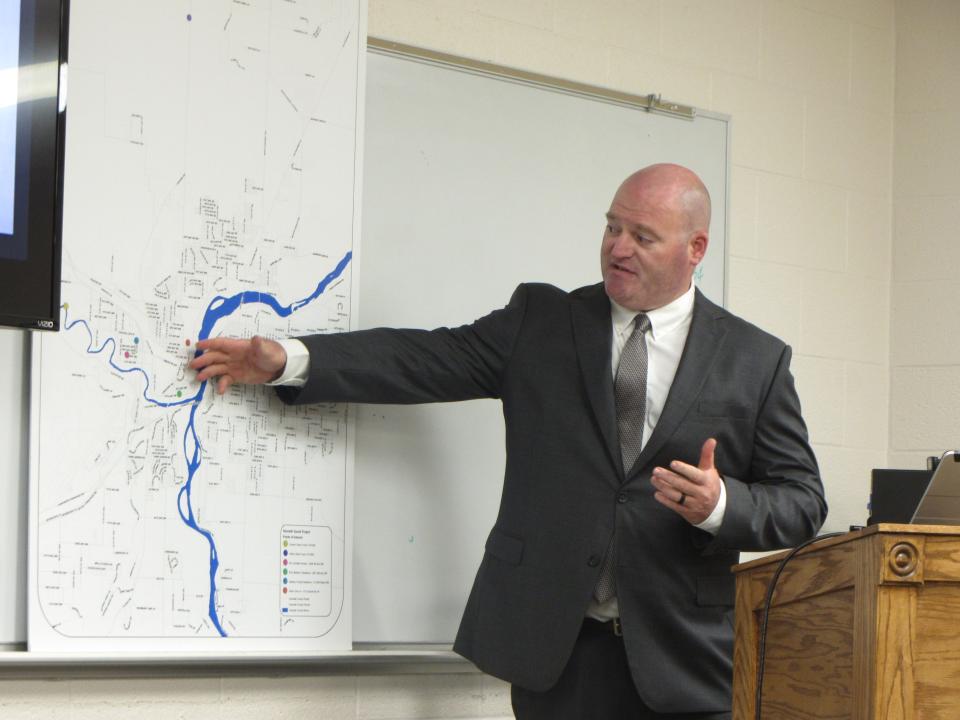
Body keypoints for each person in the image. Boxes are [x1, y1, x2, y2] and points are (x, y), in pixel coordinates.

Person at [190, 163, 826, 719]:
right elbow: (423, 358)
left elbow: (802, 501)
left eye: (642, 236)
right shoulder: (543, 323)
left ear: (695, 248)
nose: (617, 248)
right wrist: (292, 360)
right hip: (559, 654)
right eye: (611, 227)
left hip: (685, 662)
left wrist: (721, 507)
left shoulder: (755, 359)